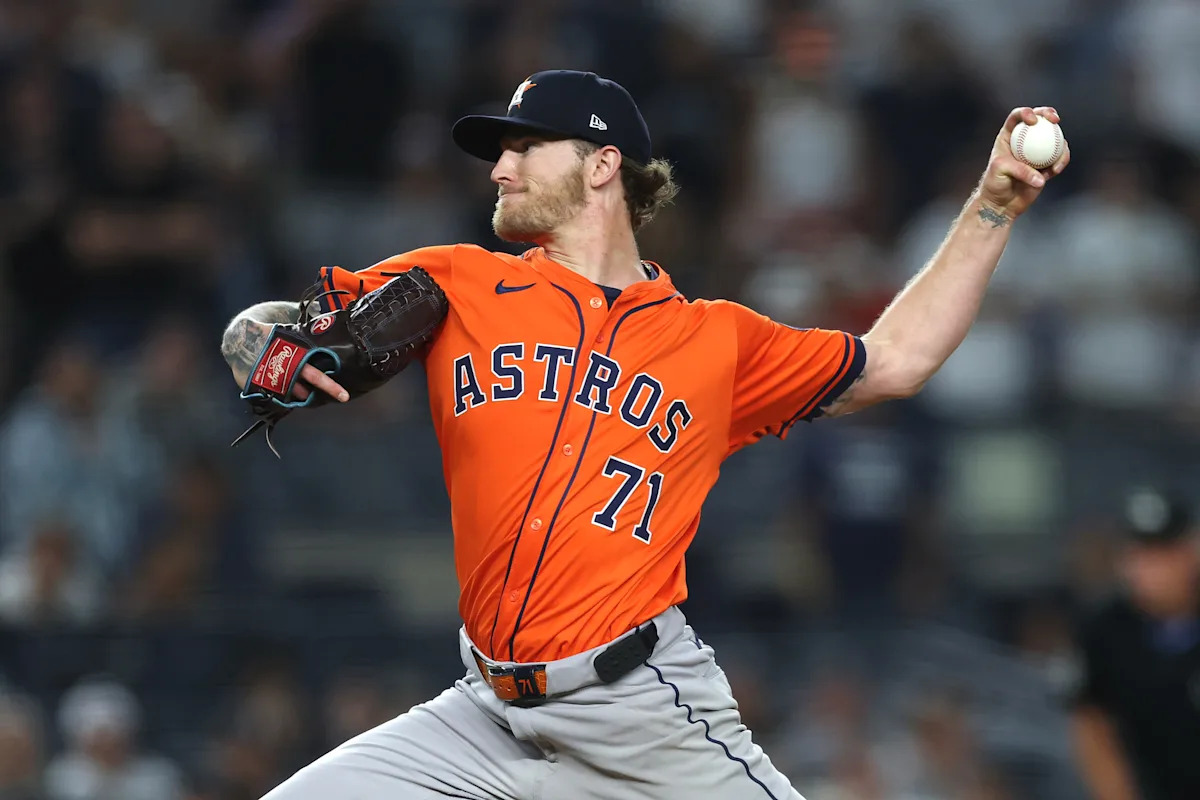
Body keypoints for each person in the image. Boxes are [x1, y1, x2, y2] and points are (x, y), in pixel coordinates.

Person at [220, 70, 1068, 800]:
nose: (500, 168)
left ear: (602, 164)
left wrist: (993, 206)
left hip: (639, 711)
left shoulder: (716, 341)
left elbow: (896, 360)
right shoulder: (457, 282)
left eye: (525, 147)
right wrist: (261, 349)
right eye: (500, 151)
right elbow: (269, 331)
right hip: (482, 712)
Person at [1068, 487, 1200, 800]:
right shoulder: (1105, 630)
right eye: (1141, 555)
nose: (1152, 569)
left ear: (1191, 552)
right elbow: (1091, 726)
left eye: (1164, 553)